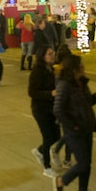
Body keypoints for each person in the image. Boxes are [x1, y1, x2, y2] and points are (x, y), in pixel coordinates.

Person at [51, 54, 96, 191]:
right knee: (83, 163)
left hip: (86, 127)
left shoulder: (81, 83)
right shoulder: (64, 85)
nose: (84, 68)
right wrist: (72, 125)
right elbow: (58, 109)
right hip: (74, 130)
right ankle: (61, 181)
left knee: (87, 163)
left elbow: (86, 103)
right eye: (81, 66)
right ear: (74, 69)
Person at [28, 46, 59, 178]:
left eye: (53, 53)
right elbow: (32, 92)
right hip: (40, 109)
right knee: (47, 138)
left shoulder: (50, 69)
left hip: (51, 108)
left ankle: (39, 151)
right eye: (49, 54)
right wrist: (50, 94)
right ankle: (47, 167)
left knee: (56, 135)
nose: (52, 56)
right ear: (42, 56)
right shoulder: (37, 71)